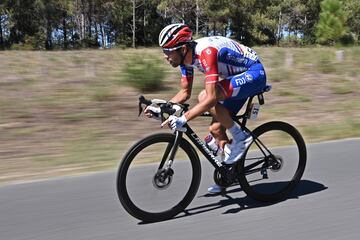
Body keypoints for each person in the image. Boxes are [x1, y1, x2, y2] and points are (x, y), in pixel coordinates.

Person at [145, 23, 267, 194]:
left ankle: (242, 138)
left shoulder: (206, 52)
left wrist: (183, 118)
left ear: (182, 48)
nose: (165, 56)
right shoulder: (185, 59)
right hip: (232, 78)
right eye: (164, 51)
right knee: (215, 129)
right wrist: (162, 108)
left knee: (205, 96)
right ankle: (228, 176)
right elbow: (184, 93)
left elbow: (210, 98)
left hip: (253, 73)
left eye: (168, 51)